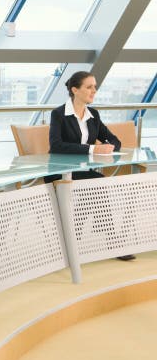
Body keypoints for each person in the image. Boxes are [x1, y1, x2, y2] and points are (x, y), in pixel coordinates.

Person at [49, 70, 134, 261]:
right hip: (61, 171)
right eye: (89, 87)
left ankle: (73, 240)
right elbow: (56, 145)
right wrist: (92, 150)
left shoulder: (93, 114)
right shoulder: (59, 114)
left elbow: (113, 139)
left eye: (94, 86)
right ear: (75, 90)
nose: (94, 90)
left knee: (93, 188)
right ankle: (111, 241)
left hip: (82, 171)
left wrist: (109, 146)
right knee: (98, 183)